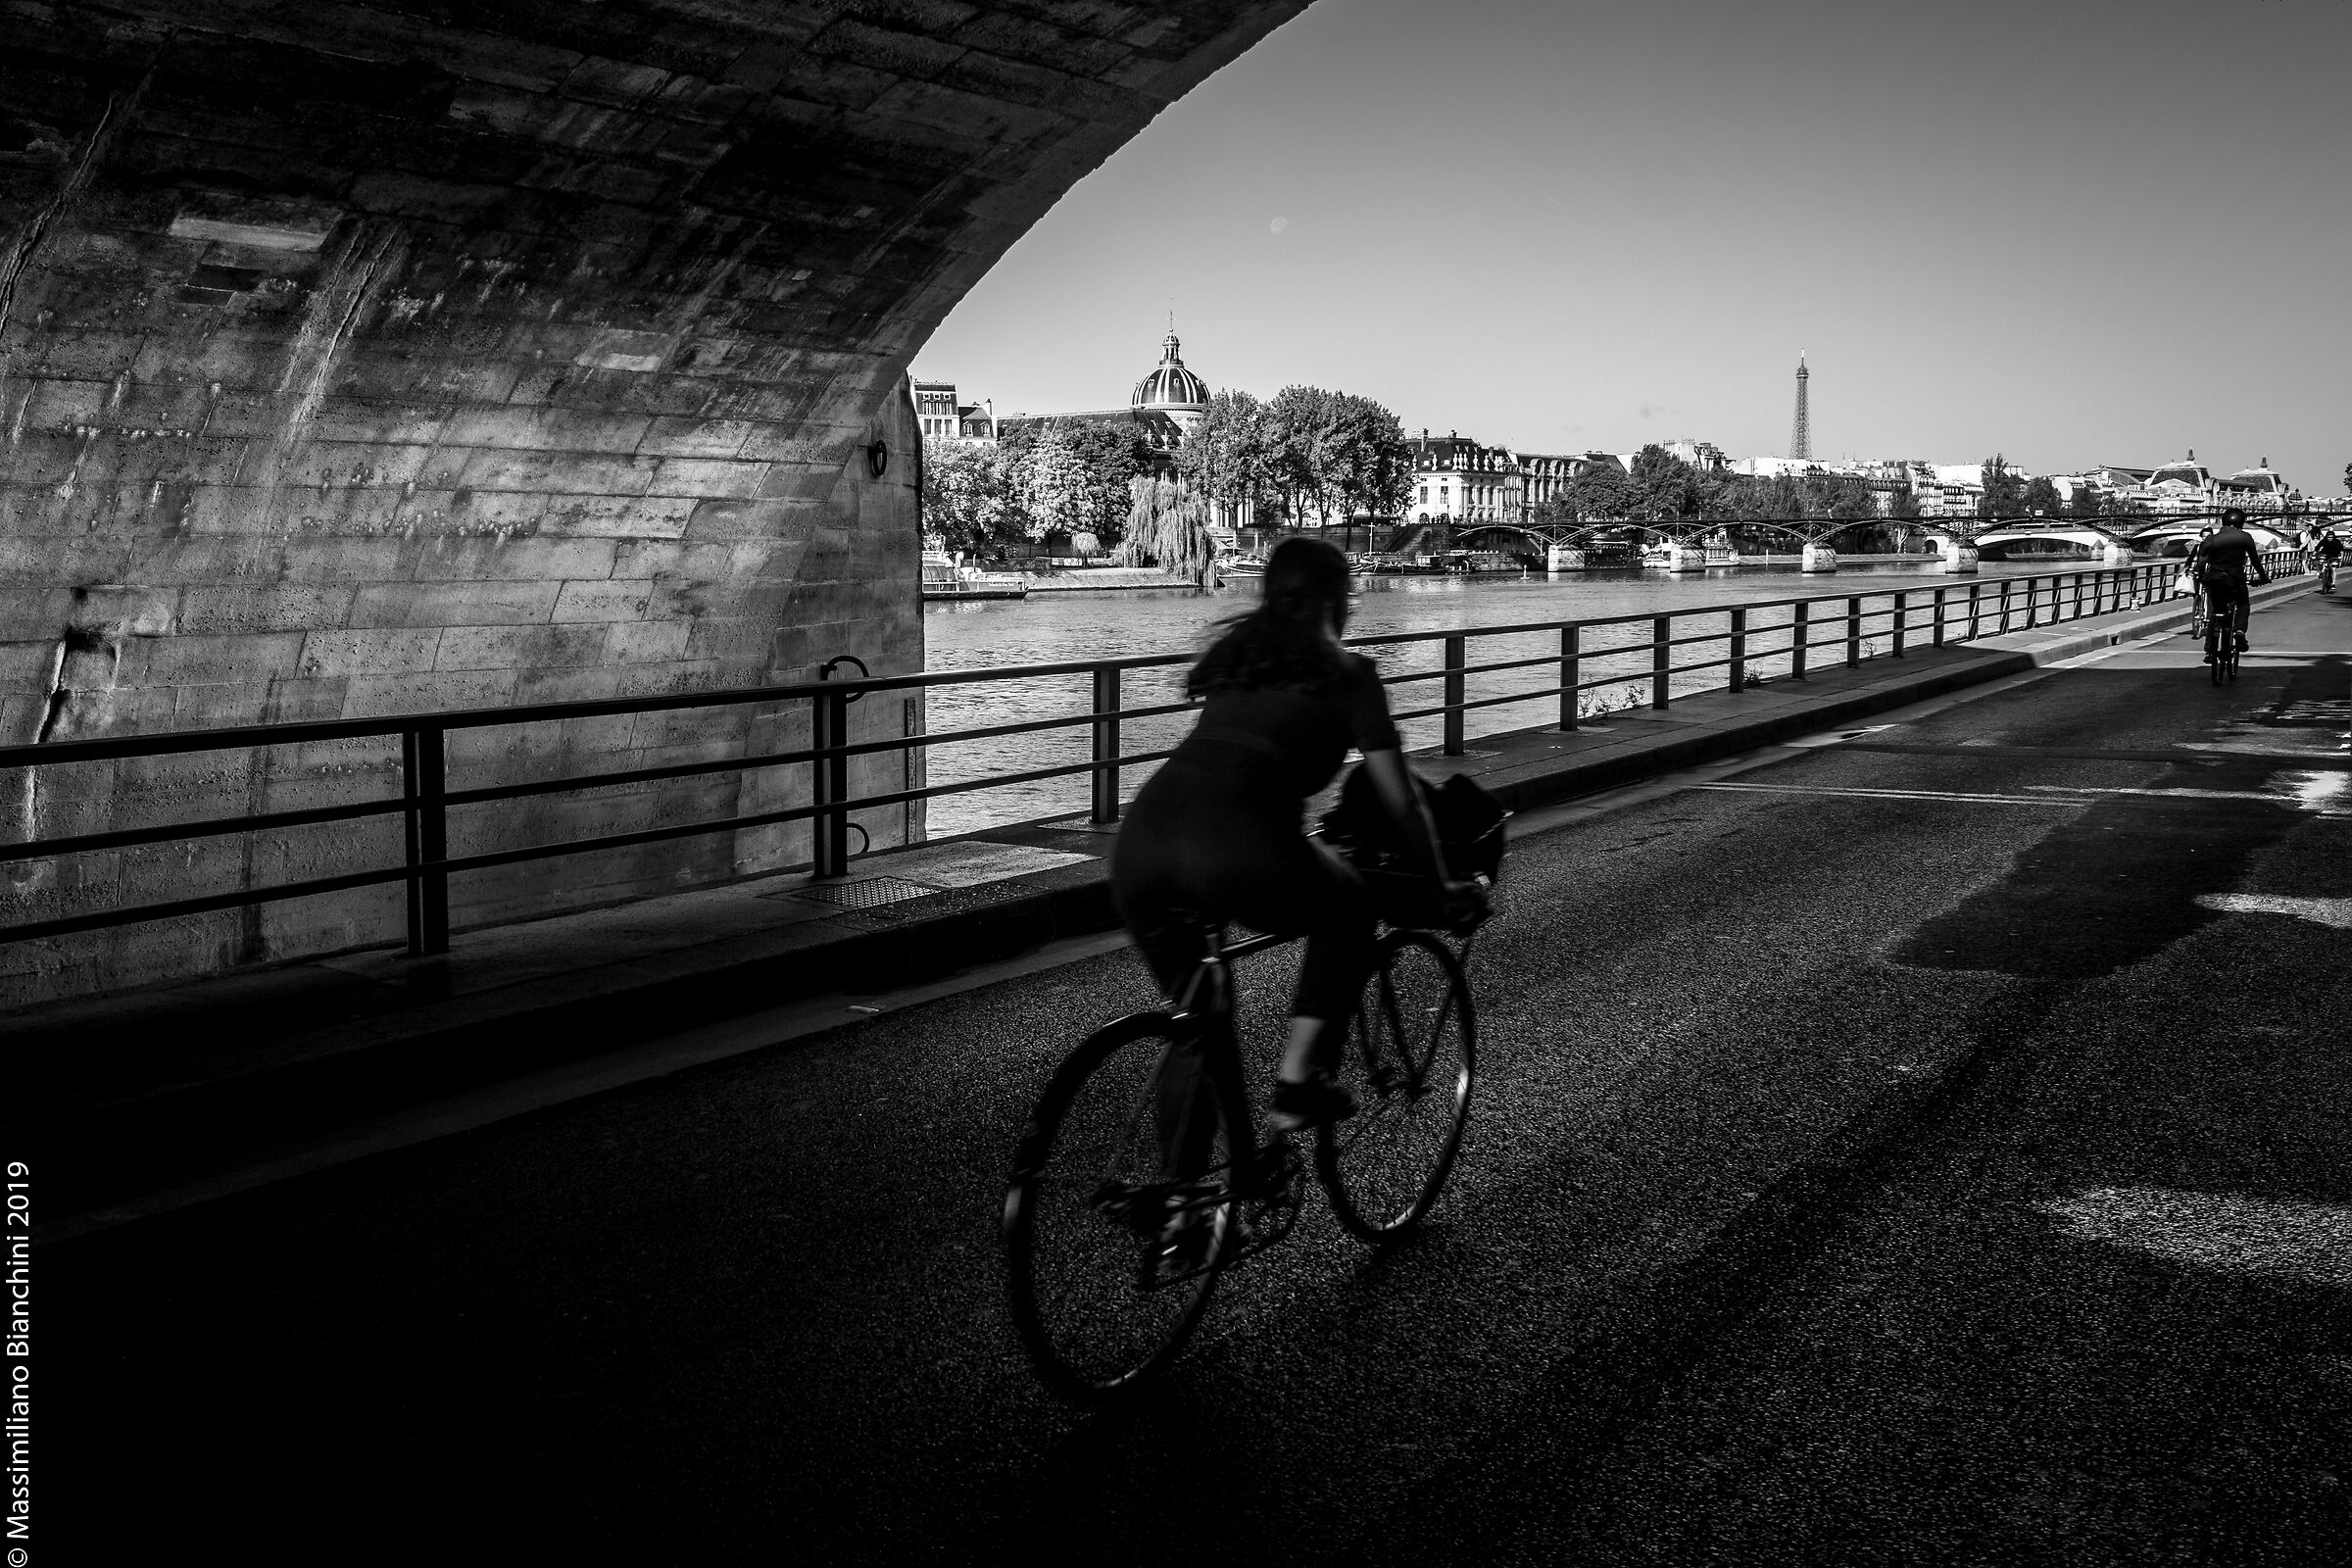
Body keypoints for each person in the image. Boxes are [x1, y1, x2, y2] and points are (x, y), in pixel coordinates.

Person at [1111, 537, 1484, 1131]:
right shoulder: (1349, 674)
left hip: (1141, 844)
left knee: (1199, 1016)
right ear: (1335, 601)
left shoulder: (1240, 659)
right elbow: (1404, 802)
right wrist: (1441, 888)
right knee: (1351, 905)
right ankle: (1298, 1082)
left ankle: (1191, 1182)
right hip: (1240, 846)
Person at [2195, 508, 2272, 662]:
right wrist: (2263, 577)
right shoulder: (2245, 537)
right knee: (2243, 604)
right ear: (2241, 522)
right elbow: (2255, 560)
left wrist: (2201, 576)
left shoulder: (2212, 539)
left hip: (2214, 580)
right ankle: (2239, 631)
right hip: (2235, 579)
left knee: (2215, 612)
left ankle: (2209, 650)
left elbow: (2201, 562)